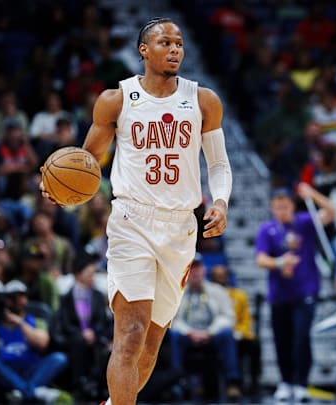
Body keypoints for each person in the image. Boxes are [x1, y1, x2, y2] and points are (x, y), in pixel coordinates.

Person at [40, 17, 232, 405]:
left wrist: (222, 201)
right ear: (144, 50)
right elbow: (87, 161)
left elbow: (219, 165)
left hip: (180, 228)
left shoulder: (203, 100)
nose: (175, 48)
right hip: (132, 222)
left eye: (179, 43)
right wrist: (57, 186)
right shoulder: (117, 99)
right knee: (129, 332)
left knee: (150, 343)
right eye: (165, 42)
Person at [255, 183, 335, 402]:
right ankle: (286, 382)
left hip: (305, 290)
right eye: (277, 207)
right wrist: (280, 262)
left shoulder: (304, 222)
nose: (282, 211)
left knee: (301, 337)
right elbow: (260, 259)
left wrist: (313, 194)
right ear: (272, 208)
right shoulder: (267, 229)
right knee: (282, 339)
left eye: (285, 206)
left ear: (293, 205)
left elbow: (331, 212)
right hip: (279, 293)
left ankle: (301, 383)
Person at [0, 279, 67, 403]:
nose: (19, 300)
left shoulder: (36, 320)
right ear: (6, 300)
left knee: (59, 358)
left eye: (22, 296)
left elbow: (43, 344)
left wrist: (19, 322)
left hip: (32, 370)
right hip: (7, 371)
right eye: (14, 297)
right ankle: (31, 392)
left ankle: (21, 393)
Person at [169, 255, 241, 400]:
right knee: (174, 334)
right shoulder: (177, 292)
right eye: (191, 268)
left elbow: (228, 317)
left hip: (211, 334)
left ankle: (232, 383)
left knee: (226, 334)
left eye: (197, 268)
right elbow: (172, 319)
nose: (195, 272)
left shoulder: (218, 291)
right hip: (187, 335)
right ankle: (175, 382)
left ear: (204, 270)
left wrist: (210, 332)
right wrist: (189, 332)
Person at [52, 250, 113, 400]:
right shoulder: (67, 297)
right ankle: (79, 384)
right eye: (88, 274)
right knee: (79, 342)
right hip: (75, 338)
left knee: (105, 347)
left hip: (96, 337)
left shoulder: (98, 296)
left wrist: (94, 332)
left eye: (93, 274)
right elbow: (64, 323)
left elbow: (103, 321)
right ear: (78, 274)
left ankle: (99, 387)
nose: (92, 277)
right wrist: (81, 333)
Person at [210, 264, 261, 396]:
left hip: (237, 333)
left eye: (223, 276)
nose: (220, 279)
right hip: (217, 333)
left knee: (254, 344)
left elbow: (246, 320)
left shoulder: (239, 295)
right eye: (217, 276)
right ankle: (229, 384)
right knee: (225, 340)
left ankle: (254, 384)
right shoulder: (209, 295)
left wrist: (237, 332)